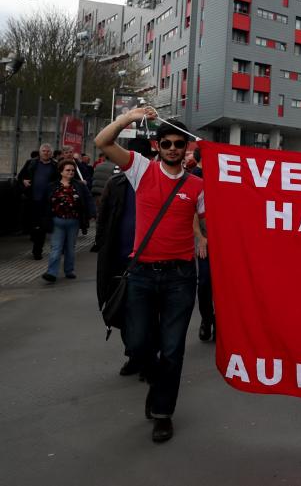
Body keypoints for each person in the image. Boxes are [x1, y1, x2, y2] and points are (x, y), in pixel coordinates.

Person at [94, 107, 205, 443]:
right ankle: (158, 384)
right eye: (167, 143)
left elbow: (197, 216)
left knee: (172, 350)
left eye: (179, 143)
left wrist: (202, 236)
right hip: (142, 274)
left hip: (181, 277)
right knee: (139, 345)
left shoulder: (198, 185)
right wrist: (129, 117)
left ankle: (162, 413)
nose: (173, 148)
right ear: (157, 146)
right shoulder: (140, 169)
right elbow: (102, 141)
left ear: (187, 148)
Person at [94, 138, 152, 375]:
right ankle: (134, 355)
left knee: (150, 312)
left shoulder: (156, 183)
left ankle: (147, 356)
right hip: (120, 260)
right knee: (127, 310)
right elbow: (104, 218)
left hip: (150, 261)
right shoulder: (115, 184)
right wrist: (101, 245)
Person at [40, 160, 92, 283]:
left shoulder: (79, 185)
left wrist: (92, 213)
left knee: (70, 248)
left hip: (73, 221)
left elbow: (88, 199)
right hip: (57, 221)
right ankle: (51, 273)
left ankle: (69, 270)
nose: (71, 172)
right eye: (68, 170)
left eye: (73, 170)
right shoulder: (52, 186)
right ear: (61, 171)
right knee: (56, 248)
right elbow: (44, 203)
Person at [190, 147, 215, 343]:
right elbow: (192, 212)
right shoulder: (195, 179)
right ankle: (207, 320)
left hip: (227, 243)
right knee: (205, 282)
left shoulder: (223, 177)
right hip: (206, 241)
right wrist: (200, 237)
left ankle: (221, 322)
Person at [17, 143, 58, 260]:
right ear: (40, 152)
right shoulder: (31, 163)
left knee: (42, 227)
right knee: (33, 225)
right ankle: (35, 239)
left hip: (47, 201)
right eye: (44, 151)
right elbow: (20, 177)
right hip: (32, 199)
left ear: (51, 153)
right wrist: (24, 182)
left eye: (48, 151)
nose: (46, 153)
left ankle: (37, 250)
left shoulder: (55, 165)